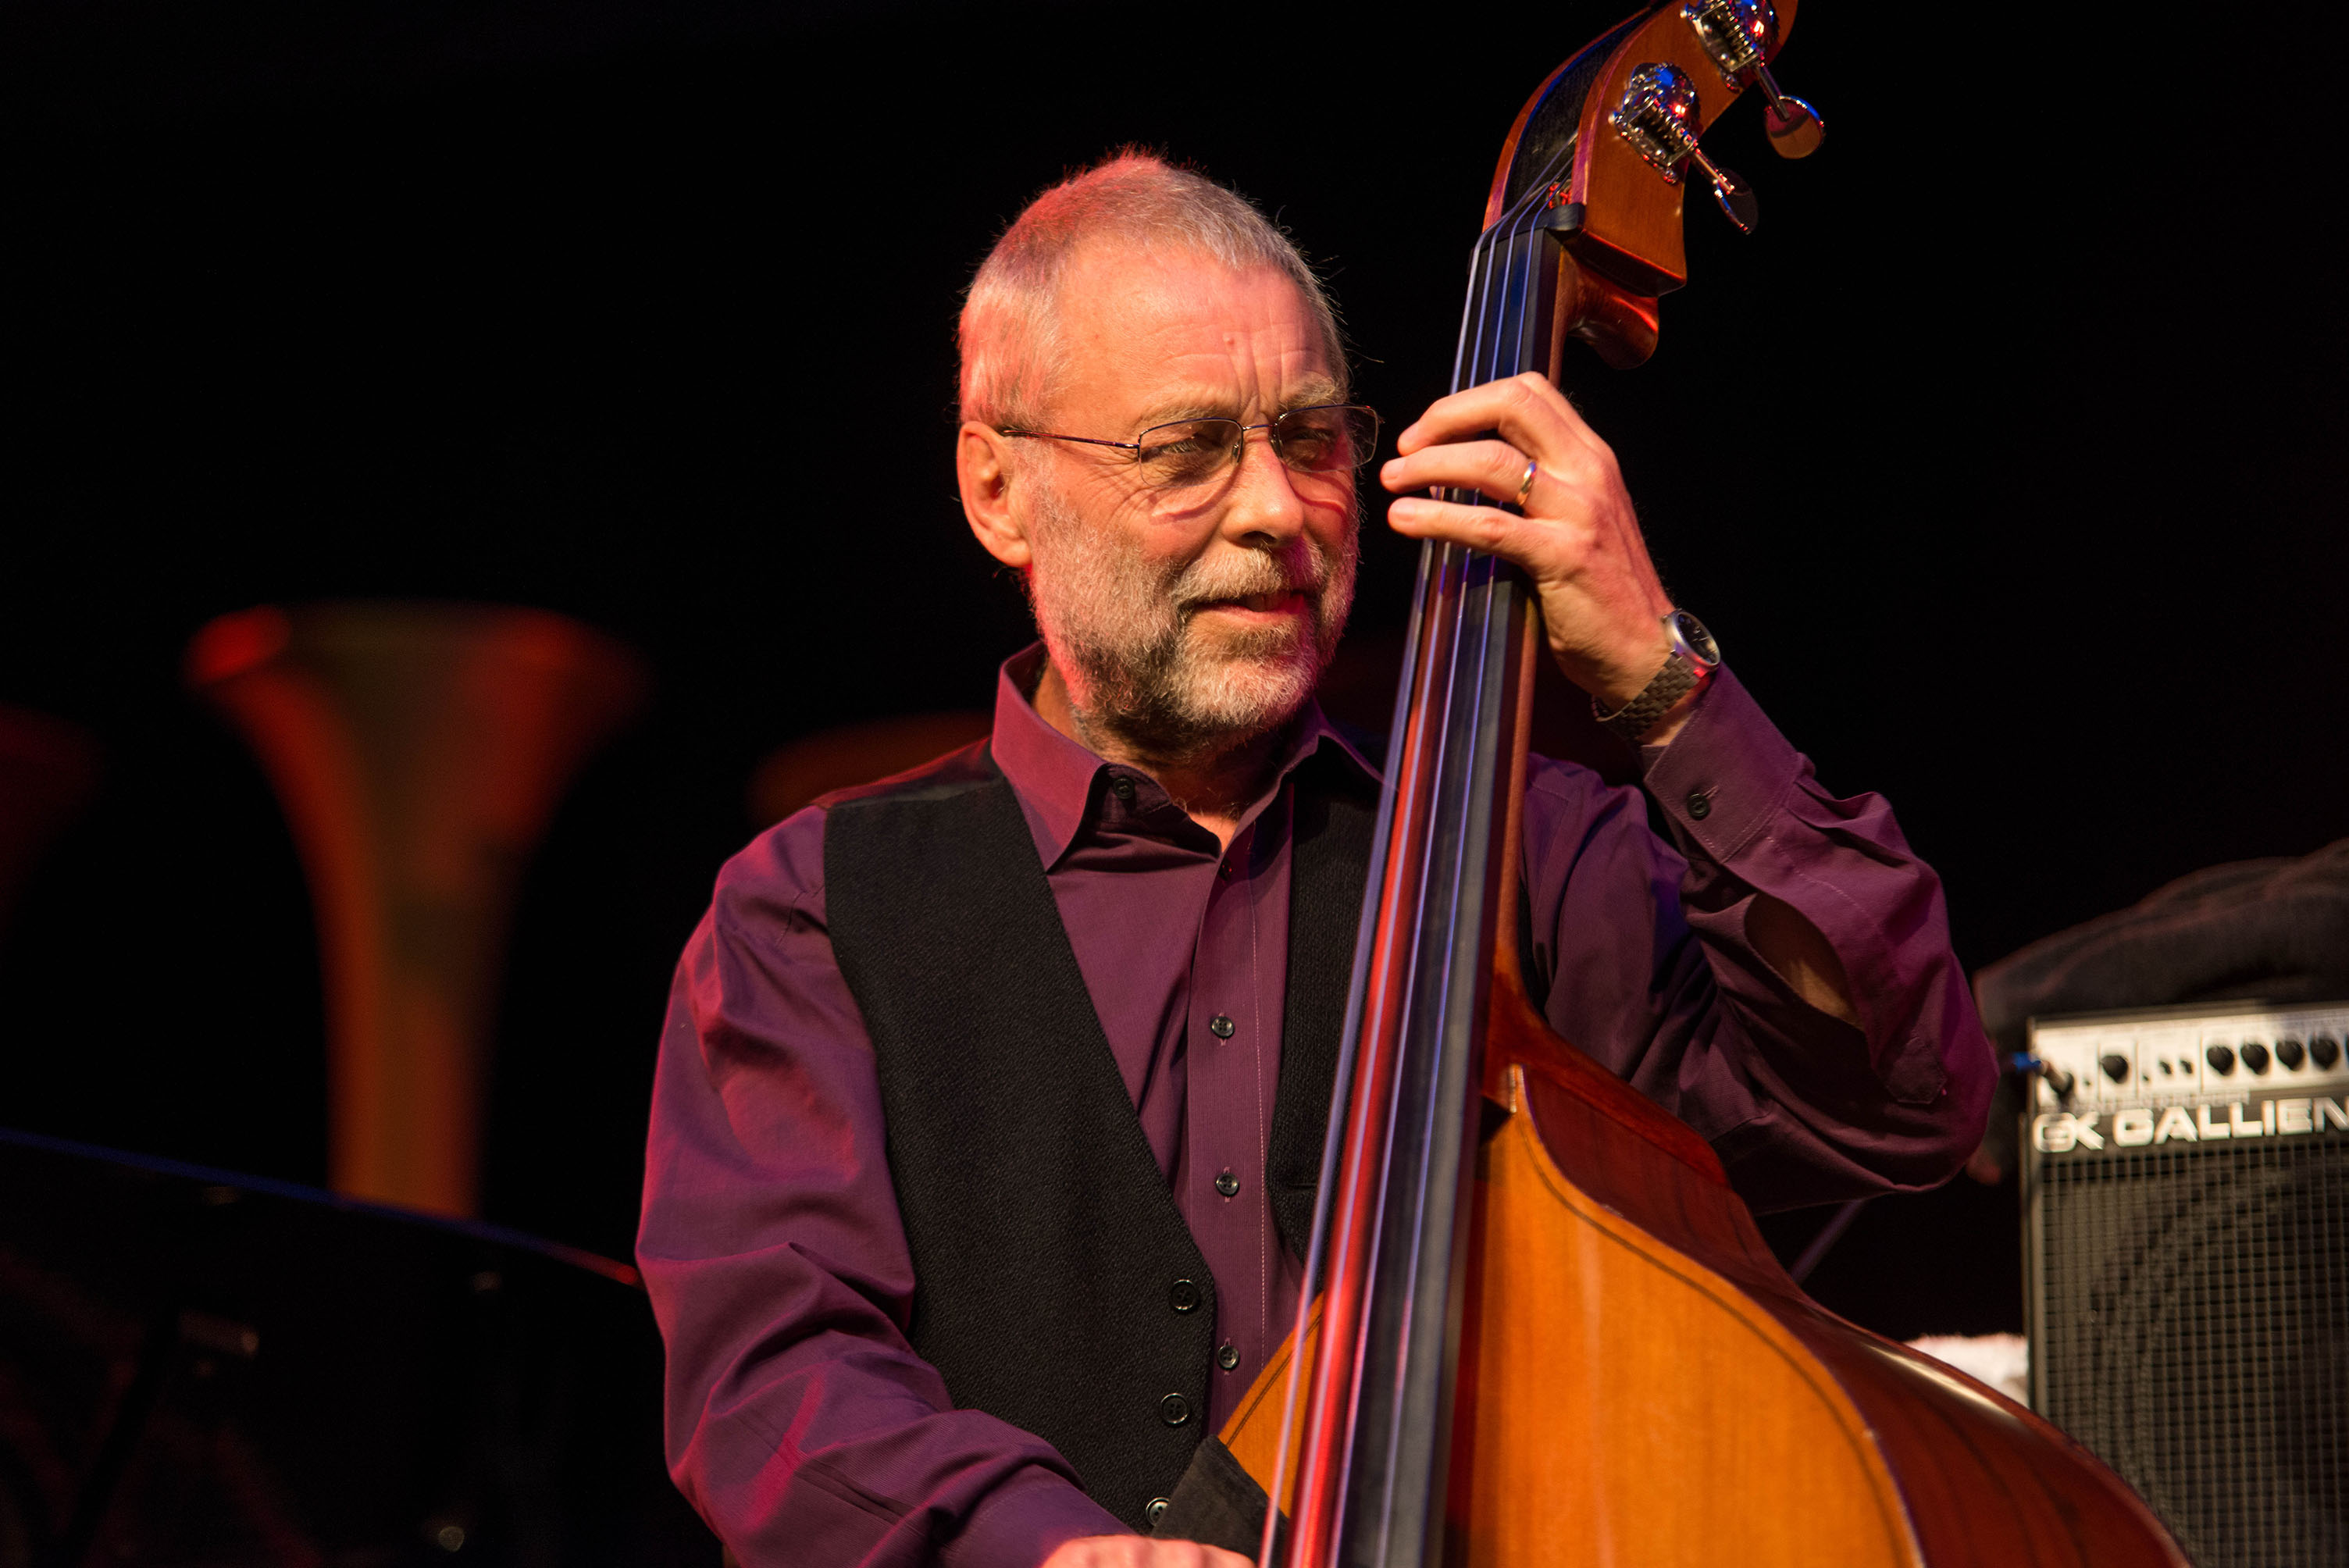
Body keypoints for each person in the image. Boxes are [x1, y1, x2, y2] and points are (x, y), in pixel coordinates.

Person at [636, 152, 1993, 1568]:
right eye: (1187, 450)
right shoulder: (813, 915)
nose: (1278, 510)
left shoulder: (1517, 854)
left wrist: (1660, 676)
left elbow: (1896, 1103)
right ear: (999, 490)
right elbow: (772, 1378)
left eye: (1312, 437)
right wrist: (1038, 1549)